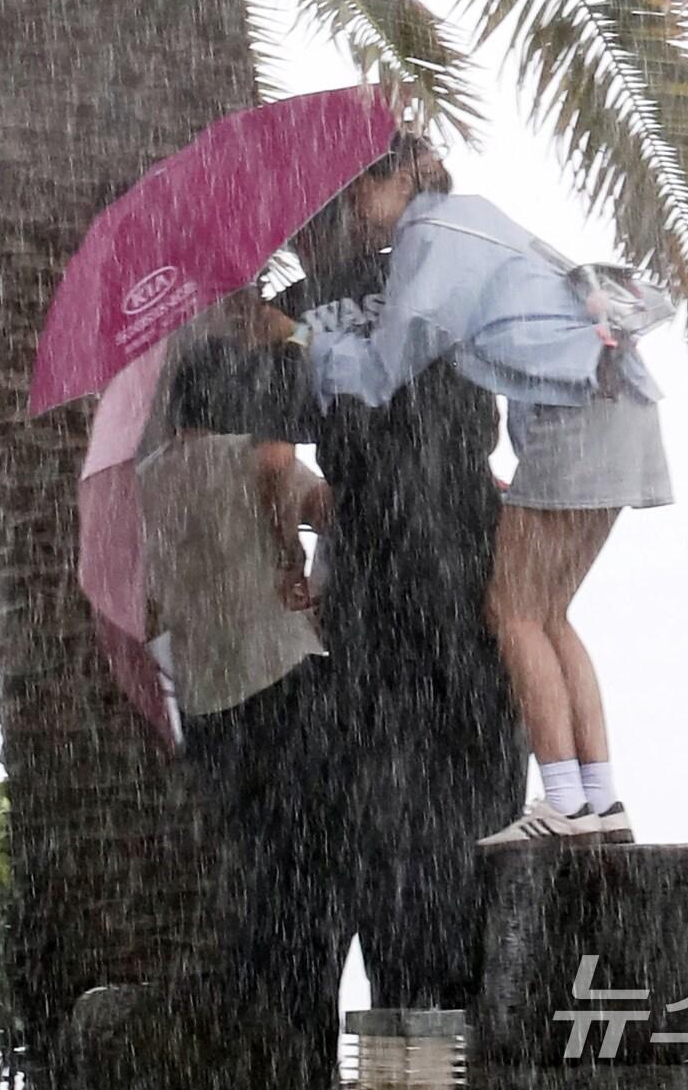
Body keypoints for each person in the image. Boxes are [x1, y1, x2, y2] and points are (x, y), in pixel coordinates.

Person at [176, 135, 527, 1011]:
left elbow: (204, 394)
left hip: (384, 581)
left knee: (399, 862)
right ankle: (451, 1035)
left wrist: (254, 322)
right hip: (470, 565)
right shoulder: (467, 276)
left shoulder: (317, 302)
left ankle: (416, 1043)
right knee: (465, 851)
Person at [295, 181, 674, 846]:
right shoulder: (479, 220)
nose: (355, 208)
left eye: (362, 192)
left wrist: (308, 345)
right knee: (549, 611)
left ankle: (563, 801)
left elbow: (385, 369)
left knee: (512, 611)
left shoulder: (429, 238)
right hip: (620, 400)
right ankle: (600, 798)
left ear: (401, 181)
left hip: (577, 416)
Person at [139, 299, 345, 1090]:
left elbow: (153, 599)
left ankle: (264, 1053)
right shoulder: (248, 456)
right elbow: (315, 493)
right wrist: (288, 543)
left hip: (208, 705)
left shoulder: (150, 481)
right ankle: (309, 1057)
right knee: (311, 891)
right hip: (280, 684)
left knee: (256, 889)